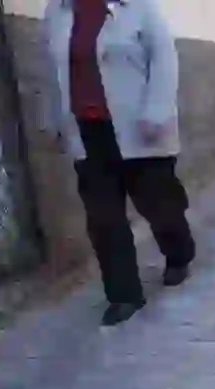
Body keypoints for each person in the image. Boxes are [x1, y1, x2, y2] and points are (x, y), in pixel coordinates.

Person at [40, 0, 195, 326]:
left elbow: (165, 60)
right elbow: (51, 73)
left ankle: (178, 254)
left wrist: (157, 112)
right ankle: (124, 294)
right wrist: (54, 121)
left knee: (159, 204)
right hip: (87, 131)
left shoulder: (140, 8)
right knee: (103, 217)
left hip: (139, 128)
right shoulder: (58, 12)